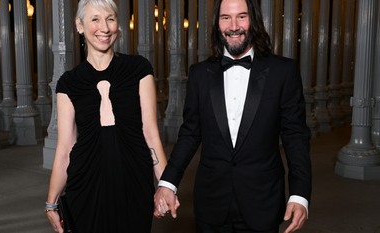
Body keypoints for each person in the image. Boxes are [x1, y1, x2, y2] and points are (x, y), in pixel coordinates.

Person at [154, 0, 312, 232]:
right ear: (217, 24)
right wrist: (168, 183)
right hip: (211, 203)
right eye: (226, 17)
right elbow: (189, 134)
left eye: (242, 16)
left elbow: (295, 137)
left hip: (263, 201)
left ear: (254, 20)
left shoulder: (284, 71)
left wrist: (300, 195)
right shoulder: (199, 74)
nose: (234, 25)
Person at [45, 0, 169, 232]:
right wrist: (51, 203)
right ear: (79, 25)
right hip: (85, 185)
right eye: (95, 19)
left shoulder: (139, 69)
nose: (104, 27)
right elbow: (65, 148)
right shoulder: (68, 83)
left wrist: (167, 185)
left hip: (133, 181)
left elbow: (151, 134)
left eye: (110, 18)